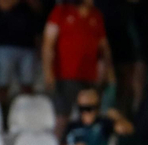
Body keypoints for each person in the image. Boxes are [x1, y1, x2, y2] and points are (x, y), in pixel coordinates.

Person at [43, 0, 110, 133]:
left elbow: (104, 47)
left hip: (90, 77)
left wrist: (107, 71)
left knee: (90, 118)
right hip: (65, 76)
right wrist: (48, 72)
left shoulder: (96, 15)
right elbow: (48, 44)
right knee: (63, 117)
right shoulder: (60, 12)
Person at [0, 0, 41, 113]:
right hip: (4, 44)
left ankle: (27, 115)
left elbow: (38, 7)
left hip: (28, 45)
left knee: (27, 86)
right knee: (2, 86)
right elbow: (3, 5)